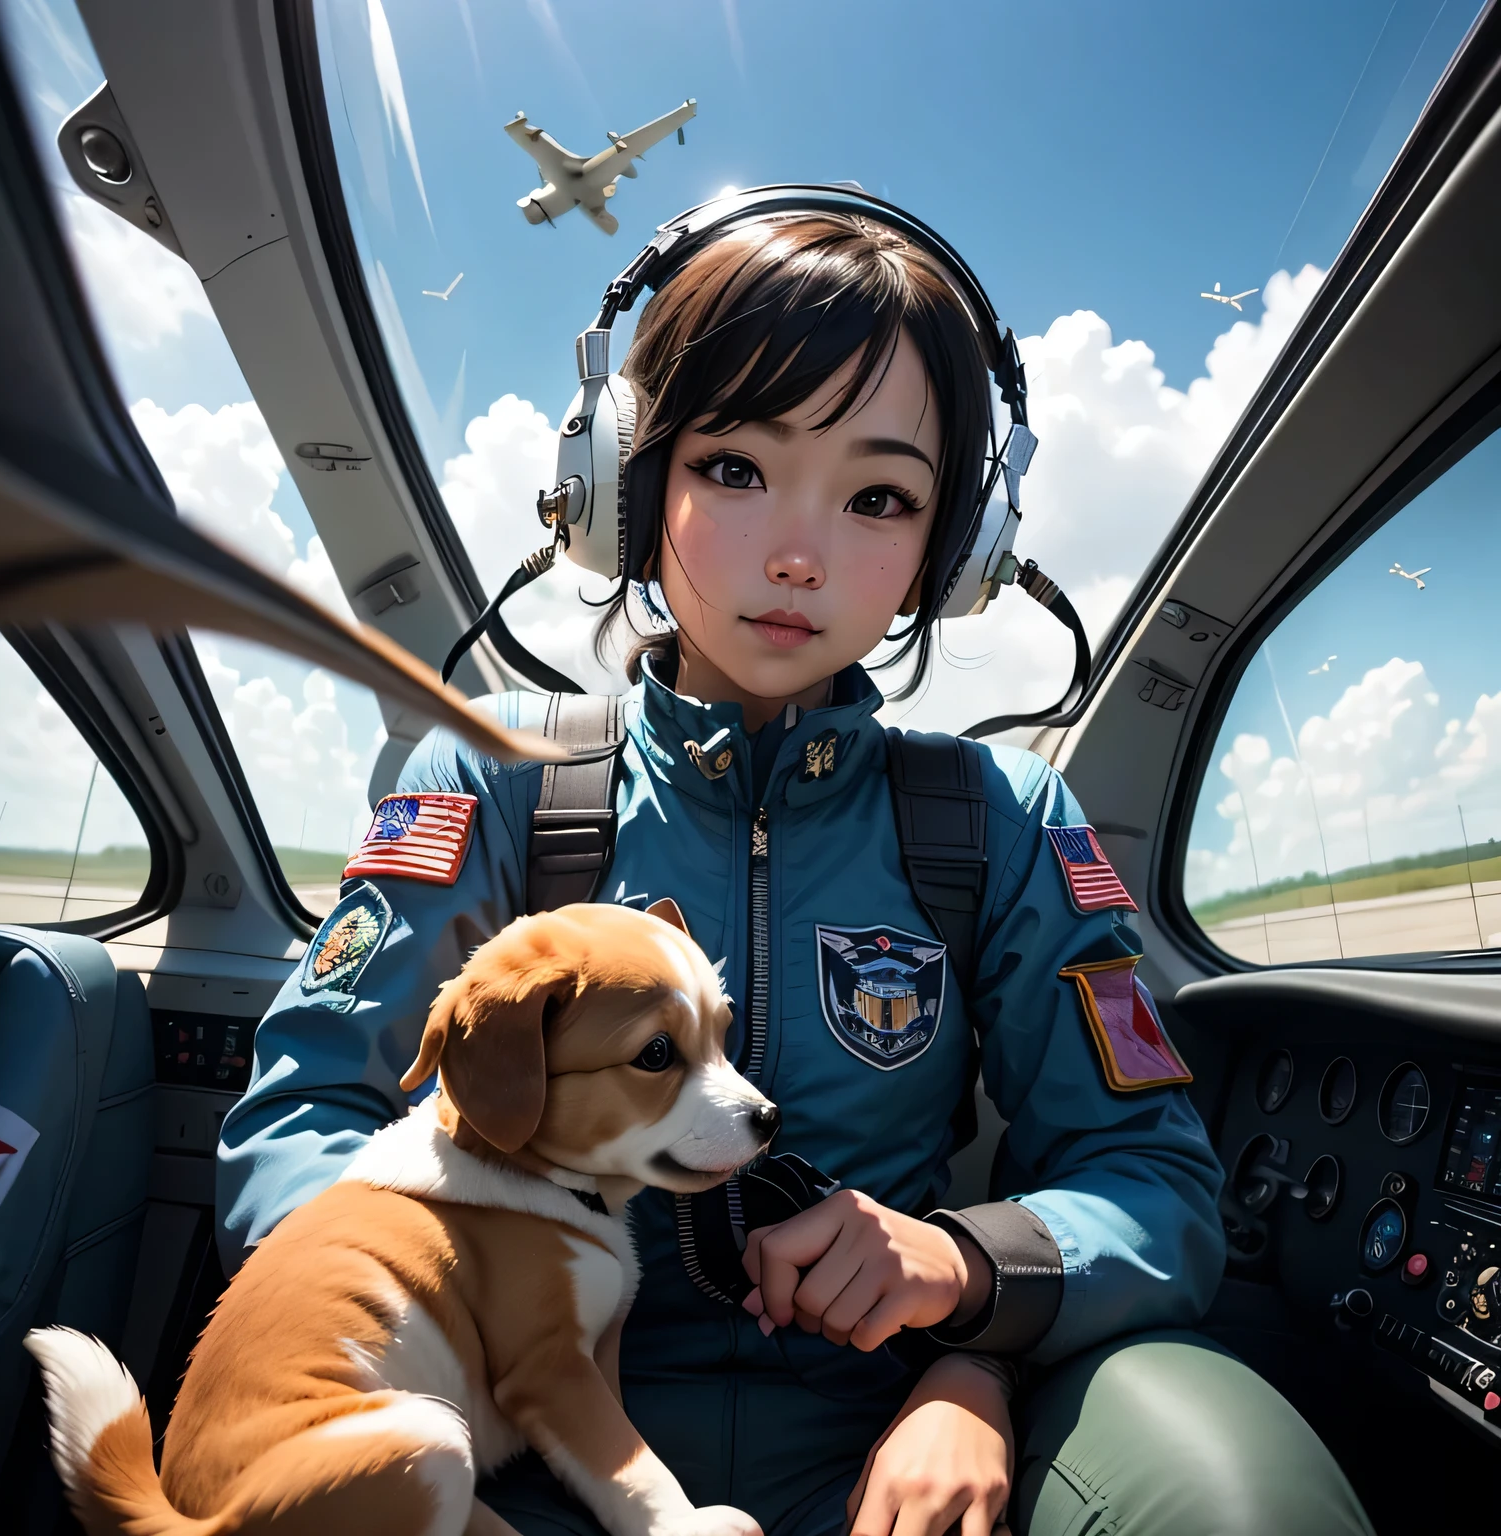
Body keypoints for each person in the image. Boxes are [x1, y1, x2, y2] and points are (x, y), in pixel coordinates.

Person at [218, 201, 1372, 1536]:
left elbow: (1156, 1191)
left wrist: (965, 1318)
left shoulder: (997, 821)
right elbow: (299, 1127)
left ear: (957, 548)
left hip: (881, 1471)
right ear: (624, 487)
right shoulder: (488, 784)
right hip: (517, 1464)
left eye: (878, 496)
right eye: (735, 467)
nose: (798, 555)